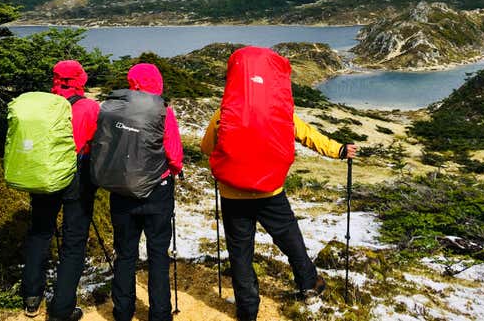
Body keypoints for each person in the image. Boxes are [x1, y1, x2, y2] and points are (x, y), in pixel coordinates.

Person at [200, 47, 357, 321]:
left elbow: (205, 147)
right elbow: (308, 135)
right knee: (290, 239)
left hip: (233, 195)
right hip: (270, 191)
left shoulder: (225, 111)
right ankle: (309, 283)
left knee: (240, 253)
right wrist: (339, 150)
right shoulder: (278, 109)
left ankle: (247, 310)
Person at [103, 63, 183, 321]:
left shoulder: (113, 109)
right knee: (158, 254)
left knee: (125, 253)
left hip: (121, 190)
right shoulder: (162, 112)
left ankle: (122, 311)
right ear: (157, 82)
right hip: (157, 190)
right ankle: (160, 314)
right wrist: (173, 169)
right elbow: (174, 155)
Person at [22, 60, 100, 321]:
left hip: (44, 175)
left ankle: (32, 299)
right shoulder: (89, 107)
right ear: (80, 79)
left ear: (55, 79)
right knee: (73, 242)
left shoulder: (41, 104)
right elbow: (95, 142)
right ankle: (62, 308)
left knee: (39, 233)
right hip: (77, 179)